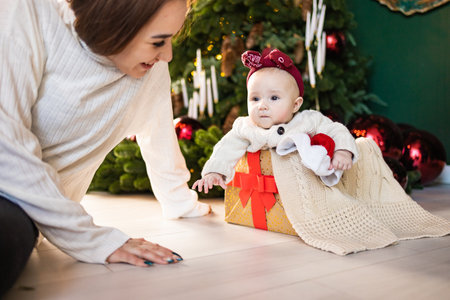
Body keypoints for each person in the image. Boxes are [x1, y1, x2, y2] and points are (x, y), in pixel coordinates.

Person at [0, 0, 210, 296]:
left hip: (17, 210)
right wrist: (91, 238)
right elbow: (3, 143)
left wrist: (182, 203)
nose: (168, 54)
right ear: (115, 22)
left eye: (171, 39)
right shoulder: (28, 11)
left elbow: (160, 134)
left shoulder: (150, 69)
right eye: (158, 41)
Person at [193, 48, 358, 193]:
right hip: (263, 190)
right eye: (255, 98)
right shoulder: (246, 127)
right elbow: (226, 148)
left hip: (303, 191)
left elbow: (336, 129)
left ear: (295, 105)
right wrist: (214, 172)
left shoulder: (308, 120)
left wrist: (343, 151)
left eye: (273, 97)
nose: (262, 106)